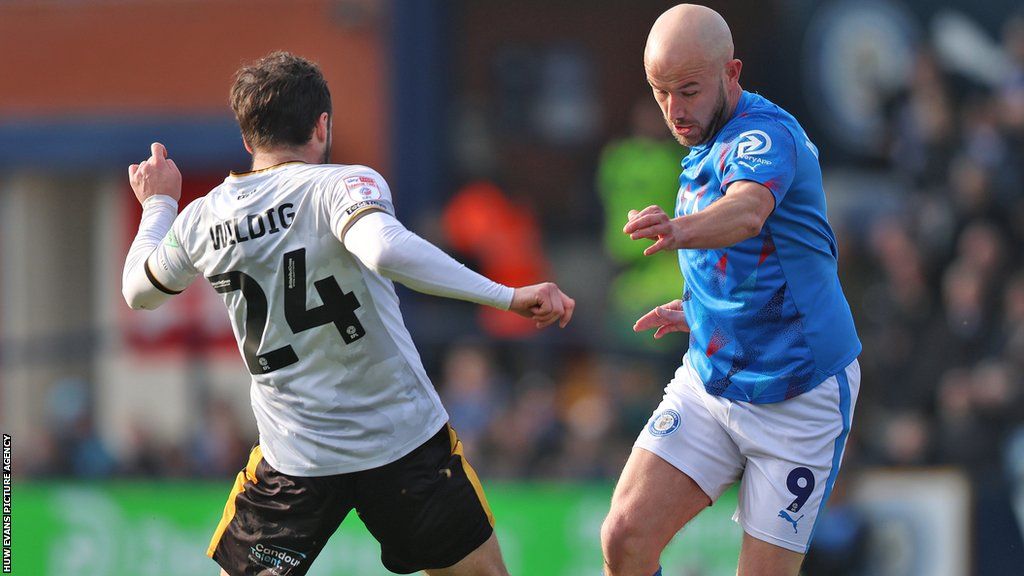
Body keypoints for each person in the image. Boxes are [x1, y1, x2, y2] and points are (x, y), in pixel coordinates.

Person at [121, 51, 574, 576]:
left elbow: (139, 291)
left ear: (247, 140)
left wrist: (158, 205)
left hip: (294, 461)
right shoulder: (341, 185)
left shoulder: (204, 217)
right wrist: (508, 296)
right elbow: (384, 250)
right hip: (401, 444)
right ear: (322, 125)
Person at [600, 5, 862, 576]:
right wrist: (701, 310)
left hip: (800, 392)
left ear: (732, 73)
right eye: (659, 92)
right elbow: (757, 258)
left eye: (688, 90)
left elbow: (745, 214)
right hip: (715, 377)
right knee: (624, 537)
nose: (674, 111)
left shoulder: (765, 135)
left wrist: (674, 231)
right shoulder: (703, 136)